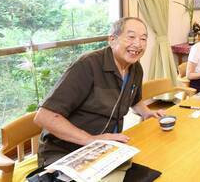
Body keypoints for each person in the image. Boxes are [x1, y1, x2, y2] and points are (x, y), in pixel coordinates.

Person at [34, 17, 165, 167]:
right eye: (131, 37)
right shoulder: (87, 65)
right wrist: (90, 139)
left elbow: (134, 99)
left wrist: (147, 113)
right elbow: (44, 117)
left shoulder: (135, 68)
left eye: (143, 39)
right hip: (66, 151)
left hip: (104, 147)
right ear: (112, 40)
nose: (138, 44)